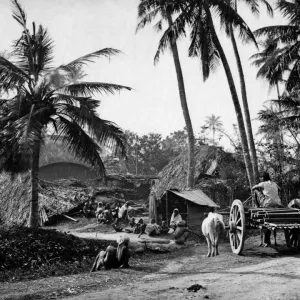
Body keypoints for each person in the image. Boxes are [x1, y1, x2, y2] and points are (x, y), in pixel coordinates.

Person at [252, 172, 283, 246]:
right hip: (277, 204)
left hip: (267, 204)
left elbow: (253, 188)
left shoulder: (263, 183)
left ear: (263, 178)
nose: (261, 178)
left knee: (256, 190)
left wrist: (259, 189)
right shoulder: (274, 183)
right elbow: (280, 189)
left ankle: (258, 207)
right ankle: (268, 240)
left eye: (261, 177)